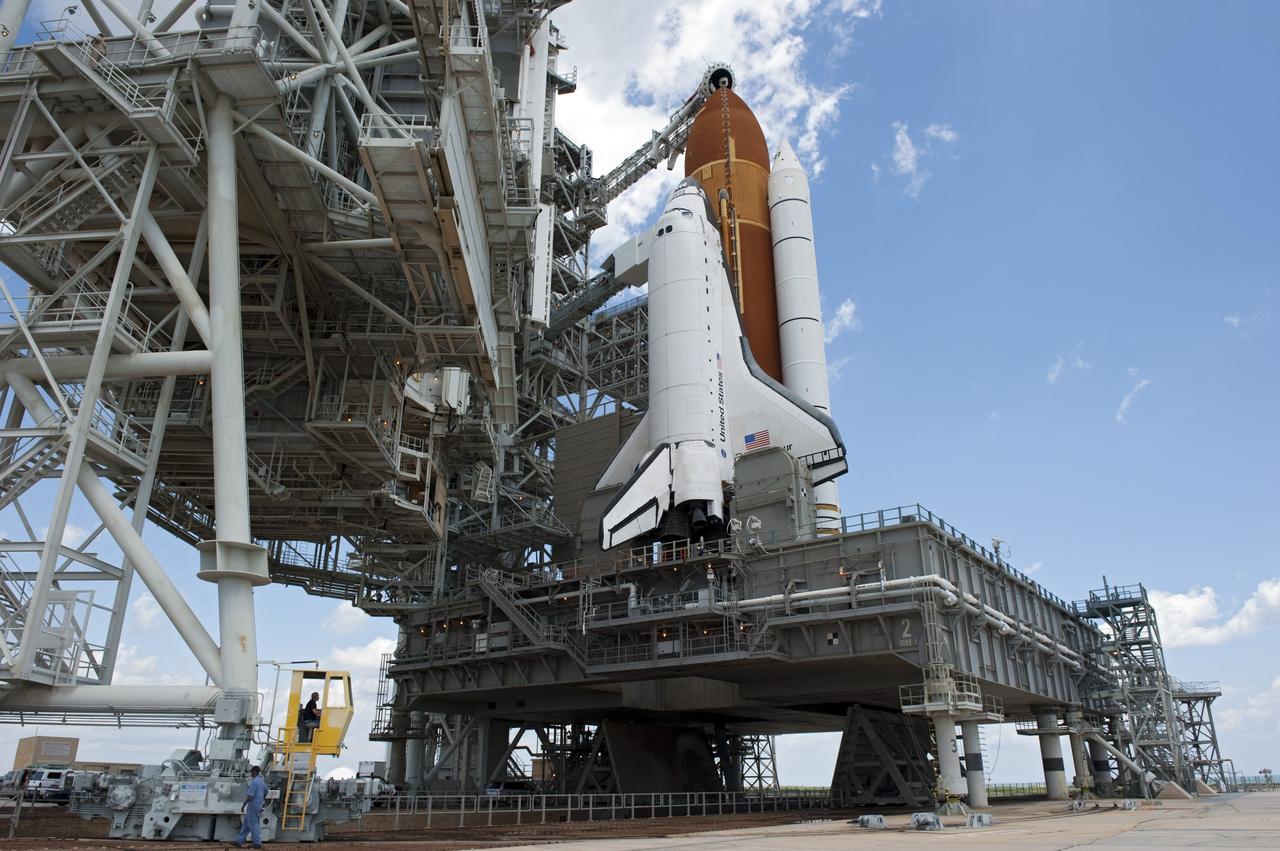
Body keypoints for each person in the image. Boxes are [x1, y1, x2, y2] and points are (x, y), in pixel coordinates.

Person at [233, 765, 267, 849]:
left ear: (254, 772)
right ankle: (239, 841)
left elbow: (250, 796)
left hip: (253, 805)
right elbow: (266, 792)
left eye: (252, 772)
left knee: (253, 823)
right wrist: (261, 800)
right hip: (258, 804)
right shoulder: (262, 782)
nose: (251, 774)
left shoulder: (254, 782)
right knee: (246, 823)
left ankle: (257, 842)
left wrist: (243, 805)